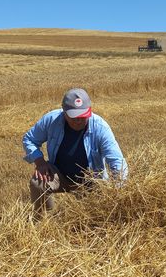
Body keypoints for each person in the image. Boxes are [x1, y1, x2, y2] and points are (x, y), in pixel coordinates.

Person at [22, 88, 128, 218]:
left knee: (93, 218)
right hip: (59, 174)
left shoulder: (101, 127)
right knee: (38, 182)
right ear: (64, 112)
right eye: (74, 116)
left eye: (83, 116)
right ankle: (44, 220)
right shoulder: (52, 120)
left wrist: (118, 188)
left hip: (91, 179)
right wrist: (39, 162)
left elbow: (116, 160)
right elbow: (29, 139)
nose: (78, 120)